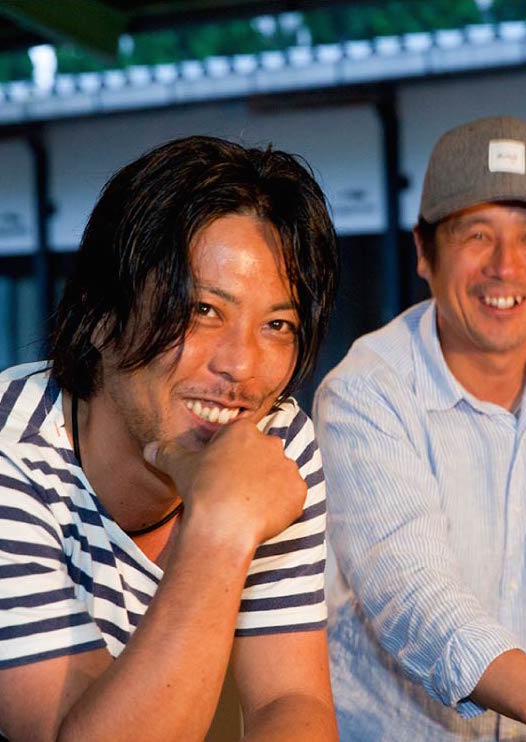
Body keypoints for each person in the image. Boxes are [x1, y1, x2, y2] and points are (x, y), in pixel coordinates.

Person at [0, 135, 339, 741]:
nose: (241, 366)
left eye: (277, 324)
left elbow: (288, 699)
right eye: (203, 310)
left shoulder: (274, 440)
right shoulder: (12, 453)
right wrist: (220, 528)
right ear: (101, 314)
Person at [314, 115, 526, 741]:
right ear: (424, 251)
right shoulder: (365, 391)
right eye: (477, 234)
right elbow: (413, 590)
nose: (505, 266)